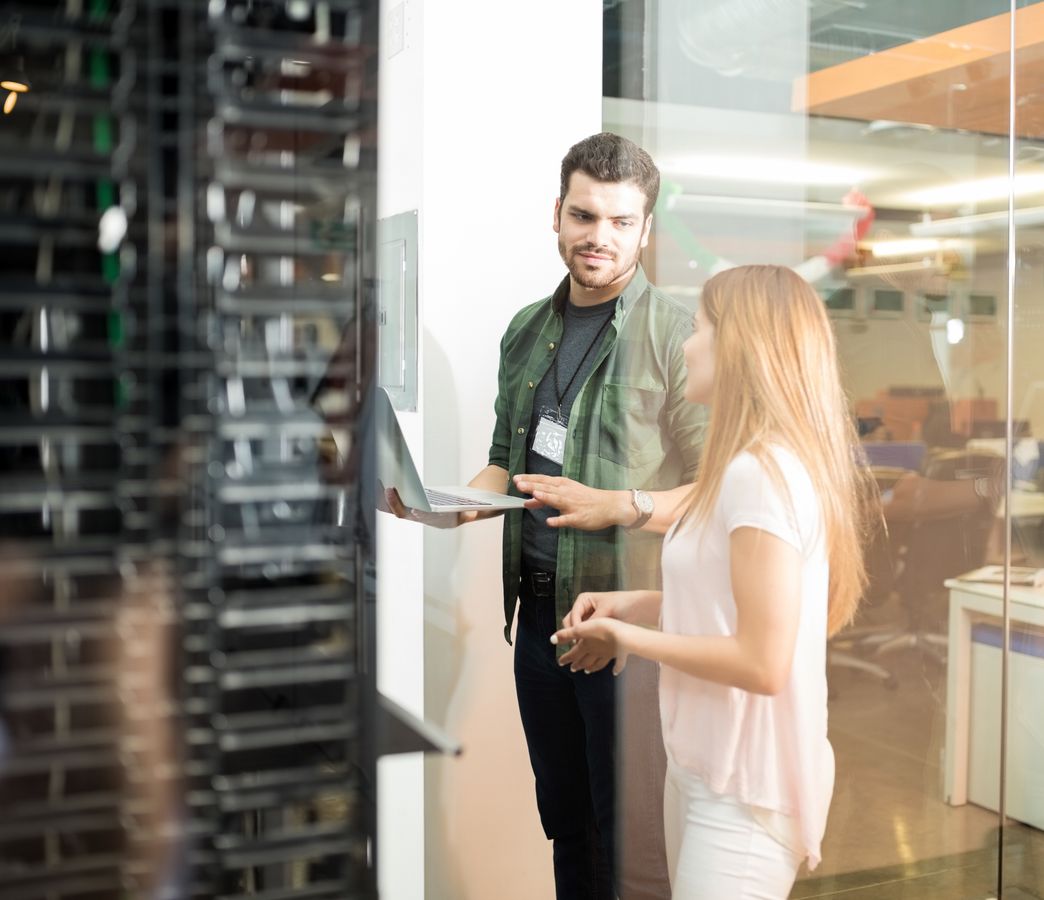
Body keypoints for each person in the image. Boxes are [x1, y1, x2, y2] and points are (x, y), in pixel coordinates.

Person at [384, 132, 706, 899]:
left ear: (645, 230)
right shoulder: (527, 329)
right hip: (538, 622)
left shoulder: (677, 336)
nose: (600, 236)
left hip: (626, 630)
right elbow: (506, 460)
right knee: (566, 822)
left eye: (621, 221)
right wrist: (449, 507)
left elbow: (714, 488)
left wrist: (621, 505)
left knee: (630, 844)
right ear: (557, 213)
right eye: (584, 215)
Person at [550, 265, 877, 899]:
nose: (687, 345)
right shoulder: (741, 468)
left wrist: (627, 638)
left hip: (745, 790)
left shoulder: (762, 475)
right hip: (702, 767)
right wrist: (638, 606)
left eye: (699, 329)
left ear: (739, 348)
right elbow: (730, 604)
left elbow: (762, 662)